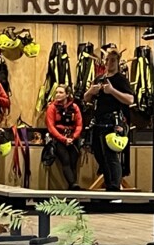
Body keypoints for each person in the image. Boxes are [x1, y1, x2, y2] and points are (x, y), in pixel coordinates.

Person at [84, 49, 134, 191]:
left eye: (113, 60)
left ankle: (115, 188)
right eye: (107, 60)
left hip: (113, 123)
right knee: (100, 156)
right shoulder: (99, 79)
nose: (109, 63)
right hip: (98, 122)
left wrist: (112, 91)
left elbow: (130, 100)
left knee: (111, 157)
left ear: (118, 62)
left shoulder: (120, 79)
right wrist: (91, 92)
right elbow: (86, 98)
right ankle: (109, 186)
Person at [45, 85, 83, 189]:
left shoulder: (74, 108)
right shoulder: (52, 107)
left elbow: (79, 125)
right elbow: (51, 127)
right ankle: (73, 185)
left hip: (72, 138)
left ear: (67, 94)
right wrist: (63, 139)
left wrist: (73, 137)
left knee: (73, 162)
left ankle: (73, 187)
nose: (57, 95)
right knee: (65, 160)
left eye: (61, 92)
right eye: (56, 92)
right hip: (58, 138)